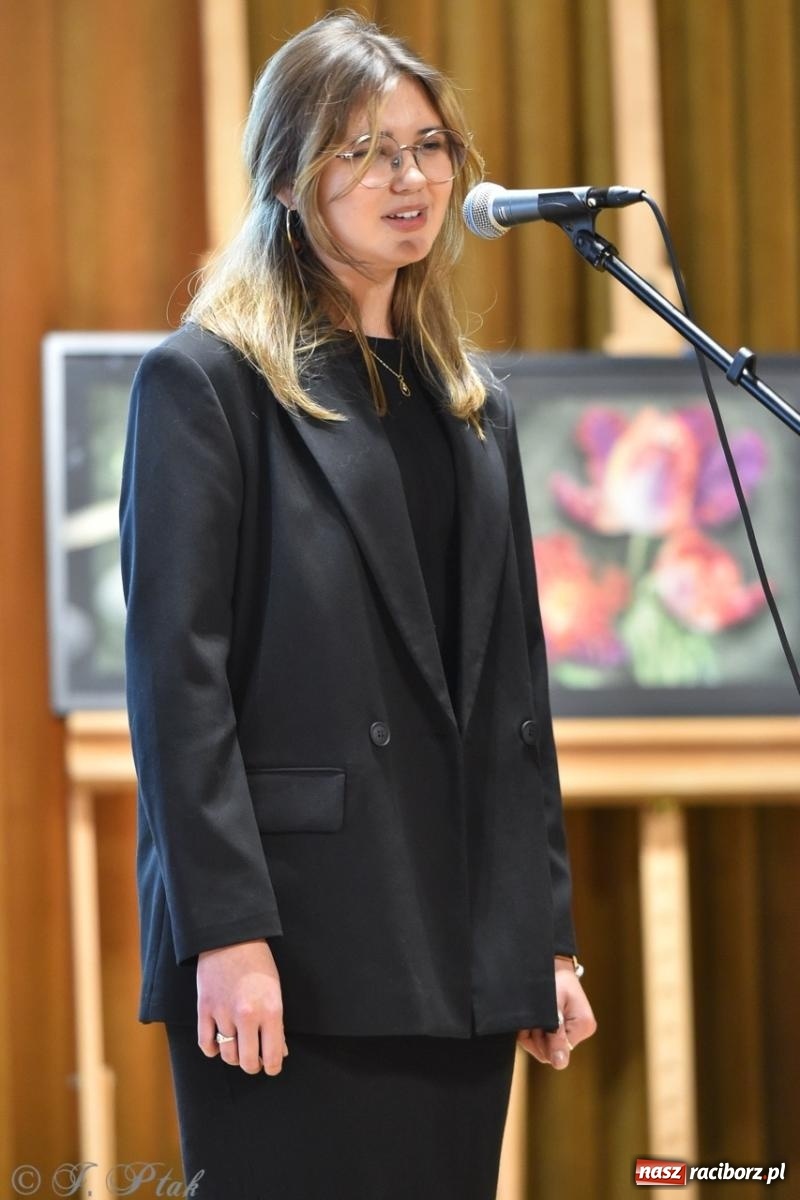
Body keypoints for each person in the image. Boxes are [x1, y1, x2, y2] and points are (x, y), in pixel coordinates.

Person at [120, 10, 595, 1199]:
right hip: (289, 953)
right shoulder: (206, 382)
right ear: (287, 175)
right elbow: (177, 685)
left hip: (459, 948)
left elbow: (512, 695)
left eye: (428, 145)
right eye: (366, 148)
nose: (411, 177)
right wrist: (223, 935)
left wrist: (540, 937)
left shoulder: (468, 404)